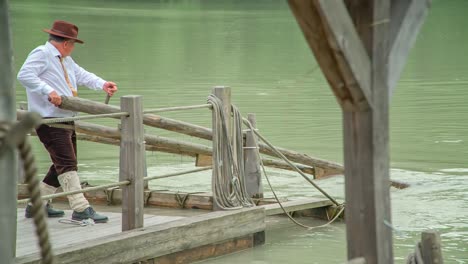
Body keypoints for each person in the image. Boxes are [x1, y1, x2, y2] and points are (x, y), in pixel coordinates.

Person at [17, 20, 118, 223]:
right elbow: (24, 75)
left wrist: (102, 84)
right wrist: (49, 91)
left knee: (61, 164)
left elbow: (81, 75)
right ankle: (81, 208)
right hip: (49, 119)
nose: (72, 48)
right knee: (67, 163)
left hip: (65, 118)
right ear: (66, 43)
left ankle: (37, 206)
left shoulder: (64, 60)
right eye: (73, 43)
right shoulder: (42, 53)